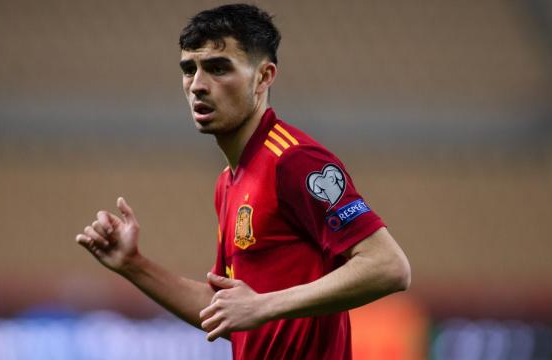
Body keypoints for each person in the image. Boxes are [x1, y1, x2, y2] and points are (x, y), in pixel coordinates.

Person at [75, 4, 411, 359]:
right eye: (189, 69)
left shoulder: (295, 161)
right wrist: (133, 264)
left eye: (219, 69)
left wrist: (264, 306)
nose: (198, 86)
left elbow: (388, 266)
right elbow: (225, 307)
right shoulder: (228, 182)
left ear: (264, 77)